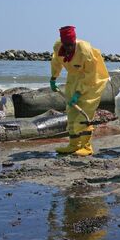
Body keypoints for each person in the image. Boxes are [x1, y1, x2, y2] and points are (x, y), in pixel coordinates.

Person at [50, 26, 109, 156]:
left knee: (84, 114)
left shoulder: (85, 51)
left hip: (93, 80)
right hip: (73, 78)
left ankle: (86, 147)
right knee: (71, 111)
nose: (69, 48)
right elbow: (56, 62)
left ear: (75, 41)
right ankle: (73, 145)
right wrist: (53, 78)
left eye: (71, 45)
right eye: (66, 45)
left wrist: (78, 93)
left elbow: (89, 75)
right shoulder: (58, 47)